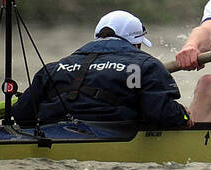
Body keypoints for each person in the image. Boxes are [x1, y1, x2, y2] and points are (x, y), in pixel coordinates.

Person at [11, 11, 190, 128]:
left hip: (49, 132)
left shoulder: (54, 68)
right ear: (136, 43)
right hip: (107, 136)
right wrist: (183, 116)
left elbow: (21, 114)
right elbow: (161, 115)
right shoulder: (144, 67)